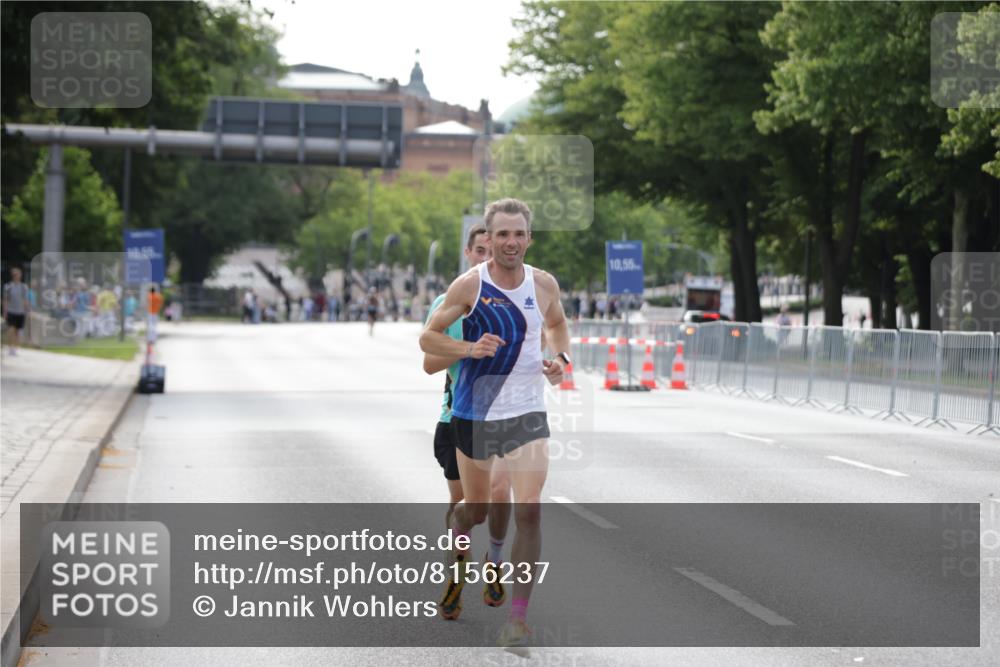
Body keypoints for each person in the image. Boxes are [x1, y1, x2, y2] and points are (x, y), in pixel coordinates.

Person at [420, 198, 570, 654]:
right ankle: (460, 536)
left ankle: (518, 621)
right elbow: (428, 339)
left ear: (529, 238)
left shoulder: (543, 284)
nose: (510, 242)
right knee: (476, 509)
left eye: (518, 234)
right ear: (490, 238)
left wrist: (559, 359)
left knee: (529, 509)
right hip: (474, 413)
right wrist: (470, 350)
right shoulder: (469, 285)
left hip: (526, 412)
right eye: (501, 234)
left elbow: (558, 324)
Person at [422, 223, 513, 615]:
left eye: (491, 252)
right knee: (463, 504)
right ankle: (456, 575)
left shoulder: (515, 300)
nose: (485, 258)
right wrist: (469, 350)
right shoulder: (449, 301)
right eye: (480, 251)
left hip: (504, 417)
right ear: (468, 253)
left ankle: (493, 562)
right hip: (456, 417)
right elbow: (428, 363)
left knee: (498, 493)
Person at [3, 267, 30, 355]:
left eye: (17, 274)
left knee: (18, 332)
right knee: (11, 329)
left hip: (20, 312)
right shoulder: (8, 286)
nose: (16, 276)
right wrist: (5, 311)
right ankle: (10, 347)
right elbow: (6, 300)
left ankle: (15, 348)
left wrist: (28, 310)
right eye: (14, 274)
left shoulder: (24, 287)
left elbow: (25, 300)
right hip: (11, 311)